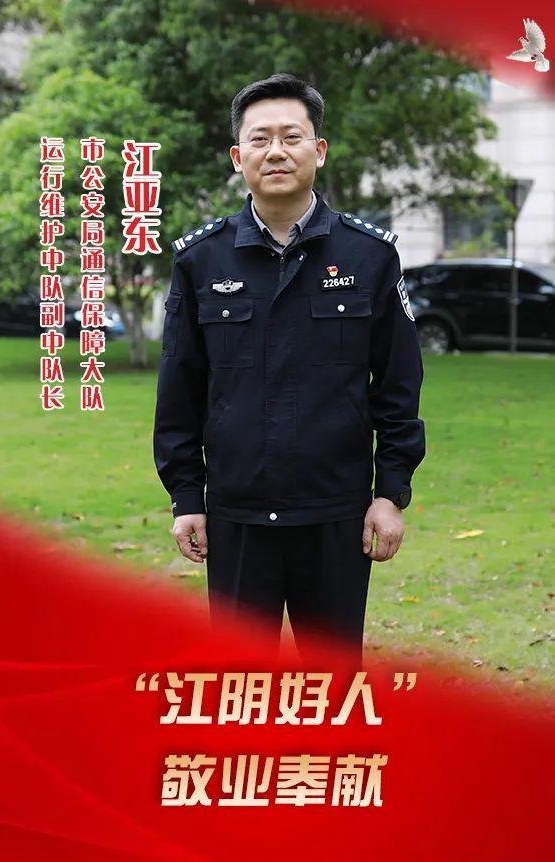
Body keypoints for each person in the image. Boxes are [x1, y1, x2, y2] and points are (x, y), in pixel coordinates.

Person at [153, 73, 425, 660]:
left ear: (318, 150)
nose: (275, 151)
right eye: (259, 139)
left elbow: (399, 387)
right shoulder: (201, 260)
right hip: (236, 516)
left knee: (332, 680)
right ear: (238, 157)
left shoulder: (370, 256)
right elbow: (180, 390)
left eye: (291, 136)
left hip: (335, 515)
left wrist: (390, 493)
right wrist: (186, 496)